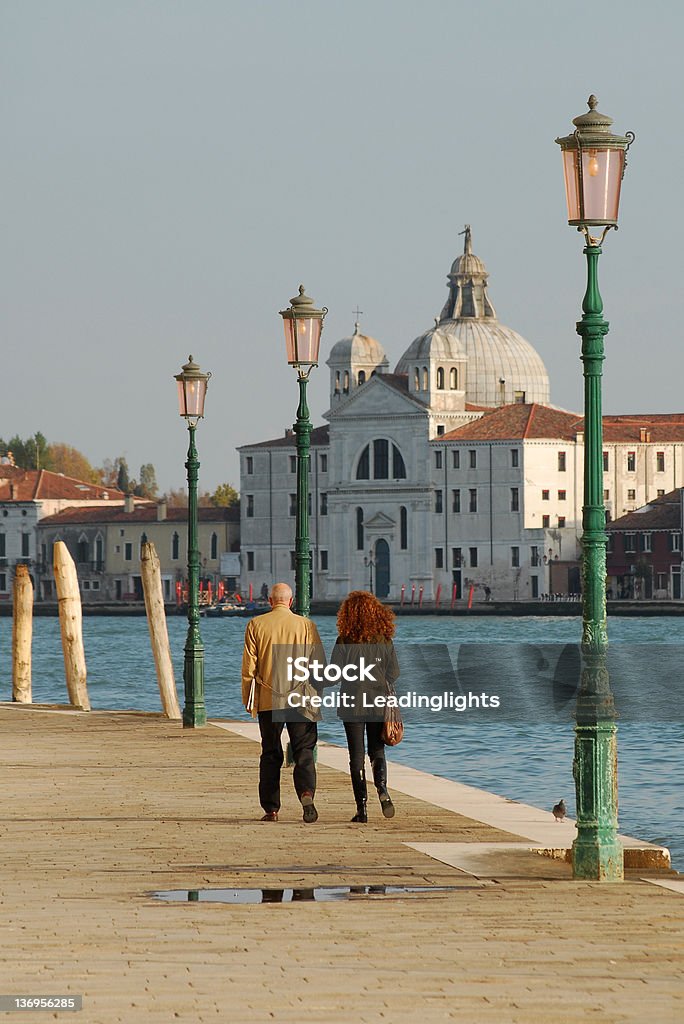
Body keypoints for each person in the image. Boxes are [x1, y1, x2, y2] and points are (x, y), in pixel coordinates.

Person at [241, 582, 324, 824]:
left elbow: (249, 668)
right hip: (301, 698)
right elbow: (317, 665)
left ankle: (271, 809)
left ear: (269, 601)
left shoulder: (256, 624)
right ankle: (306, 793)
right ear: (291, 601)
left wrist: (249, 698)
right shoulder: (307, 625)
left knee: (270, 753)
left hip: (269, 698)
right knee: (304, 751)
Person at [331, 591, 400, 823]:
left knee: (356, 756)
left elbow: (334, 673)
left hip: (352, 704)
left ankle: (361, 809)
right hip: (378, 703)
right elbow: (394, 673)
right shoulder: (384, 640)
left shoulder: (344, 640)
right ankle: (382, 790)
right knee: (377, 750)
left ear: (348, 615)